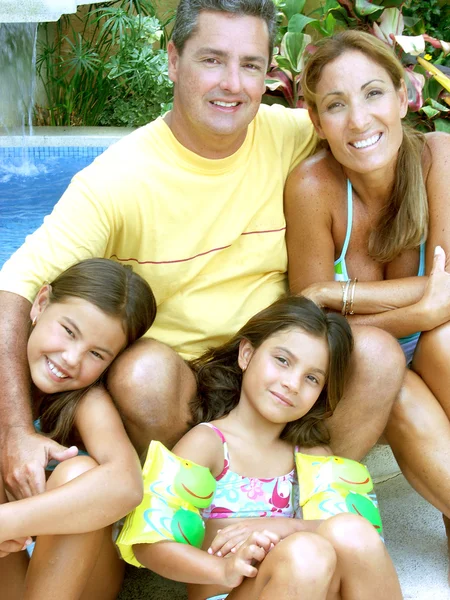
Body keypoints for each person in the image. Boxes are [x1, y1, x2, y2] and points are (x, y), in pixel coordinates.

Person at [0, 1, 405, 505]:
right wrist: (15, 430)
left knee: (377, 355)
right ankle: (185, 516)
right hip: (176, 389)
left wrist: (438, 158)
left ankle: (299, 511)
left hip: (274, 366)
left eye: (251, 65)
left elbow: (377, 133)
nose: (233, 84)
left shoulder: (291, 135)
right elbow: (15, 289)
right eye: (212, 60)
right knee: (142, 373)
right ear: (173, 61)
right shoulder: (117, 180)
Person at [284, 29, 450, 549]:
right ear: (317, 121)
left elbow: (447, 293)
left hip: (431, 349)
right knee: (387, 372)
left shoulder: (440, 160)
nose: (358, 120)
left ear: (404, 98)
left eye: (374, 93)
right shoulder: (314, 187)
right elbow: (314, 332)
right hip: (356, 368)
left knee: (444, 343)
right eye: (336, 104)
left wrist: (340, 294)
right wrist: (420, 310)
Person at [125, 295, 402, 600]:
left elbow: (363, 543)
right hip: (228, 592)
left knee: (351, 531)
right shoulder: (209, 445)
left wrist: (281, 526)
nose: (292, 383)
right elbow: (148, 543)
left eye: (311, 378)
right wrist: (223, 570)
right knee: (305, 552)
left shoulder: (311, 455)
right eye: (282, 360)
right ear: (247, 354)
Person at [0, 258, 156, 599]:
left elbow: (127, 485)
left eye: (96, 354)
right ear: (41, 304)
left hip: (75, 580)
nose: (71, 358)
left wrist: (10, 521)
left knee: (80, 474)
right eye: (69, 331)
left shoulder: (87, 401)